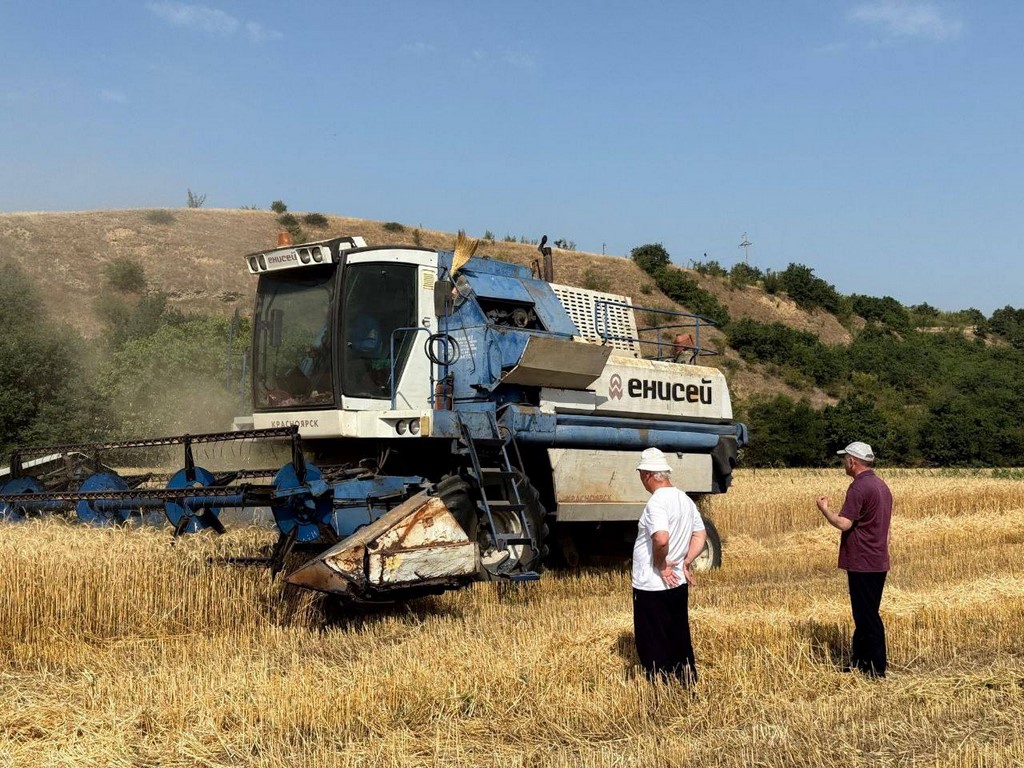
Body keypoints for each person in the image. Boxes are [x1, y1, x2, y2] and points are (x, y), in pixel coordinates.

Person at [816, 441, 893, 678]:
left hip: (862, 560)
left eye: (845, 459)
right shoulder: (881, 486)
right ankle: (859, 662)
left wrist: (824, 509)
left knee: (867, 616)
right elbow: (887, 530)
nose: (844, 463)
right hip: (877, 559)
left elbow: (844, 523)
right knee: (863, 613)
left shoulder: (858, 488)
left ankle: (877, 668)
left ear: (853, 461)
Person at [632, 447, 707, 683]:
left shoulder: (657, 502)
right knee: (678, 635)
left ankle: (659, 685)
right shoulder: (684, 499)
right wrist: (686, 562)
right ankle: (685, 681)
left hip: (652, 585)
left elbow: (661, 538)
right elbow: (700, 534)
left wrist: (661, 564)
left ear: (646, 474)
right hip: (678, 582)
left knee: (653, 639)